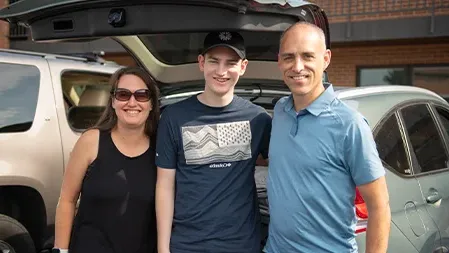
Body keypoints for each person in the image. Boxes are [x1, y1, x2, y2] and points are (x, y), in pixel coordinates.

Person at [264, 22, 391, 253]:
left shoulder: (349, 125)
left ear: (326, 59)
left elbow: (379, 207)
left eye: (307, 56)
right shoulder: (281, 111)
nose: (298, 66)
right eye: (289, 57)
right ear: (279, 61)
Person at [155, 31, 272, 253]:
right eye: (214, 61)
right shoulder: (174, 117)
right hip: (187, 245)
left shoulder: (259, 119)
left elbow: (285, 170)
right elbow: (165, 185)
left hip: (242, 244)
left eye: (231, 63)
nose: (221, 71)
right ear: (201, 62)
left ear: (243, 66)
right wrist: (163, 248)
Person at [52, 67, 160, 253]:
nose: (132, 102)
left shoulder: (161, 148)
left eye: (141, 95)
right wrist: (60, 250)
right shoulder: (91, 141)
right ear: (113, 101)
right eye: (123, 94)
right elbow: (67, 200)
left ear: (151, 103)